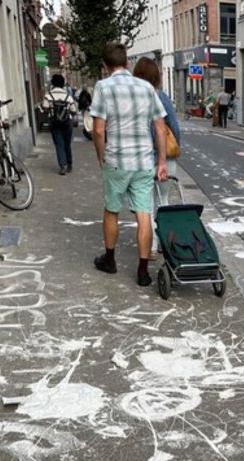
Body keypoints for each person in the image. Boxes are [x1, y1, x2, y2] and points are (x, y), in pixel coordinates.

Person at [89, 42, 168, 287]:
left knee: (112, 209)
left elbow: (99, 130)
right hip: (144, 161)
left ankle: (110, 260)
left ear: (105, 66)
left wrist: (101, 156)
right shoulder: (147, 88)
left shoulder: (103, 87)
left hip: (117, 160)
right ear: (126, 62)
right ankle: (143, 271)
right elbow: (160, 127)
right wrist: (162, 161)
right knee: (144, 214)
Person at [133, 56, 181, 256]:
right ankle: (164, 243)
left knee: (145, 205)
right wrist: (175, 146)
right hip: (164, 159)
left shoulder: (133, 98)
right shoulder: (161, 97)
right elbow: (174, 127)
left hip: (141, 159)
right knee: (164, 202)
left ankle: (149, 248)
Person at [42, 73, 77, 175]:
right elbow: (74, 110)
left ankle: (62, 165)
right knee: (67, 144)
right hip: (67, 122)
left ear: (52, 83)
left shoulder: (48, 96)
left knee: (59, 144)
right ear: (63, 83)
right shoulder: (68, 97)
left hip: (54, 122)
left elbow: (45, 109)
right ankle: (69, 164)